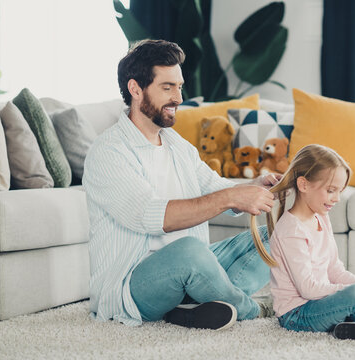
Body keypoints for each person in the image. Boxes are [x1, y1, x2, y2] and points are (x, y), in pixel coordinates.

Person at [82, 39, 280, 330]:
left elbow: (213, 186)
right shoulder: (109, 152)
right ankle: (252, 309)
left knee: (280, 233)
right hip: (133, 285)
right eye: (167, 87)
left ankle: (198, 305)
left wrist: (256, 186)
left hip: (194, 265)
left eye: (179, 86)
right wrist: (230, 198)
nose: (178, 97)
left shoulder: (177, 144)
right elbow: (152, 216)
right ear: (136, 89)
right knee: (189, 252)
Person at [250, 144, 355, 342]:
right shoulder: (291, 231)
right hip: (298, 315)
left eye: (339, 191)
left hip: (322, 302)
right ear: (303, 185)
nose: (336, 198)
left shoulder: (321, 217)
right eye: (330, 190)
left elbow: (335, 270)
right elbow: (308, 289)